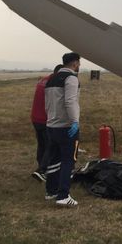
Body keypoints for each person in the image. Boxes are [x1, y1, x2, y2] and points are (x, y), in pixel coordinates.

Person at [44, 52, 81, 206]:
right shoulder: (71, 78)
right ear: (75, 63)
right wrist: (75, 121)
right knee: (68, 161)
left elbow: (47, 103)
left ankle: (51, 191)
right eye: (78, 63)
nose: (79, 66)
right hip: (66, 127)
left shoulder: (51, 78)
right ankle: (63, 195)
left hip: (51, 125)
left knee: (54, 159)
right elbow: (70, 101)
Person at [30, 64, 63, 182]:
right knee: (51, 145)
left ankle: (40, 166)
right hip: (45, 119)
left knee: (42, 144)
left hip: (35, 118)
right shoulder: (54, 83)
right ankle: (42, 170)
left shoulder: (43, 80)